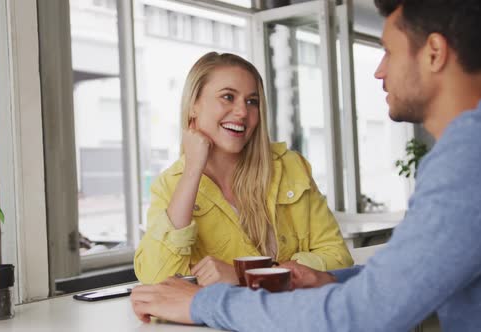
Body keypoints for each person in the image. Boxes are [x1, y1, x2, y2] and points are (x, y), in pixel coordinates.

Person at [130, 0, 481, 330]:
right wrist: (332, 280)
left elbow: (364, 315)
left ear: (434, 52)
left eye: (389, 51)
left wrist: (202, 303)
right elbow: (410, 274)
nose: (378, 72)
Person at [134, 52, 353, 286]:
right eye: (228, 97)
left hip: (294, 318)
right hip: (219, 323)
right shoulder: (169, 186)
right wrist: (192, 170)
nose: (242, 112)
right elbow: (156, 279)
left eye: (252, 101)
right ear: (193, 106)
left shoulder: (290, 167)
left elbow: (338, 258)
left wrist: (247, 276)